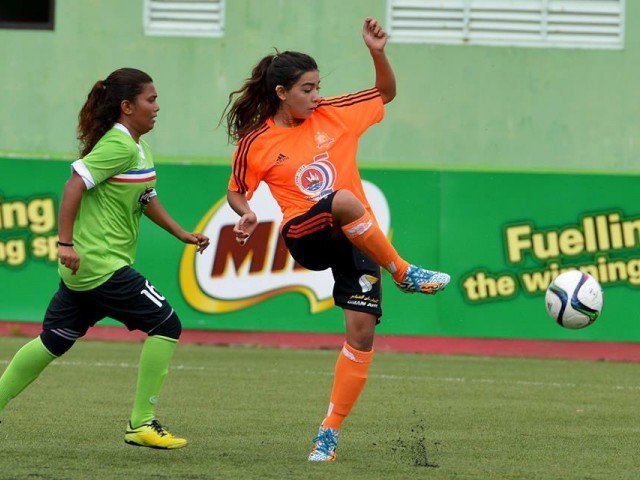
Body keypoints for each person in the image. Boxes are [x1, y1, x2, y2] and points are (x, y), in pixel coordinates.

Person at [222, 18, 450, 461]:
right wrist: (247, 211)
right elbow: (236, 190)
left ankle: (328, 432)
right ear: (282, 93)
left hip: (356, 241)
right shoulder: (258, 142)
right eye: (307, 89)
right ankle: (404, 271)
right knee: (344, 198)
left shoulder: (335, 114)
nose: (317, 96)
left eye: (318, 86)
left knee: (361, 336)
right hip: (305, 235)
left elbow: (385, 93)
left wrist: (377, 52)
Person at [0, 68, 209, 449]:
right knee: (167, 324)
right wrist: (65, 244)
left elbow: (145, 198)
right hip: (101, 265)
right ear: (127, 106)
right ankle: (141, 423)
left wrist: (180, 232)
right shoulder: (120, 145)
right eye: (151, 100)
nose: (157, 107)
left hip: (88, 270)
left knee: (54, 340)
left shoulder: (139, 146)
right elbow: (73, 185)